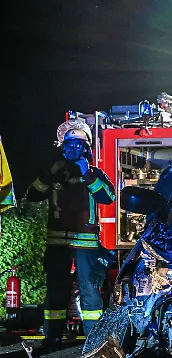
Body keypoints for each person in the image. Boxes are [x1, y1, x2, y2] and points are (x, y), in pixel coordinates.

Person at [21, 120, 115, 343]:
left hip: (86, 245)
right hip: (57, 244)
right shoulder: (53, 173)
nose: (73, 149)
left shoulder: (95, 173)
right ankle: (52, 339)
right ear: (62, 147)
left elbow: (108, 198)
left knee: (90, 293)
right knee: (56, 293)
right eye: (69, 145)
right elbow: (33, 195)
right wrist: (47, 175)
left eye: (78, 145)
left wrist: (88, 175)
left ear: (86, 149)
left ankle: (94, 341)